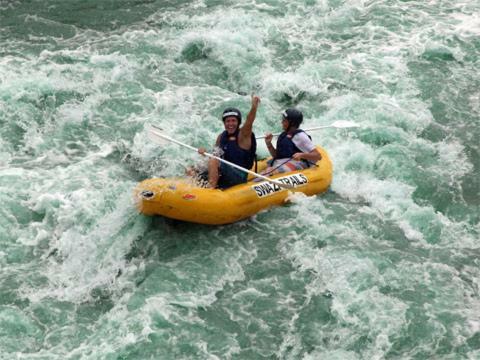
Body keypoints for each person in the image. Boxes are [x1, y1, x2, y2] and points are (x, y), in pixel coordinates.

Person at [197, 95, 260, 189]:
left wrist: (254, 107)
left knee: (214, 161)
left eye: (233, 121)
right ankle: (195, 188)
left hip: (239, 176)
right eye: (227, 121)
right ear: (224, 123)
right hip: (224, 174)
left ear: (238, 123)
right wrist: (204, 154)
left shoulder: (243, 135)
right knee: (193, 168)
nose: (230, 124)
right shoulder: (221, 137)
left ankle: (210, 191)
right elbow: (215, 154)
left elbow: (249, 121)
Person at [263, 108, 321, 175]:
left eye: (284, 120)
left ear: (292, 123)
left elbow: (318, 156)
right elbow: (277, 156)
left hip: (299, 164)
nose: (282, 122)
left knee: (270, 172)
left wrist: (302, 155)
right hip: (283, 162)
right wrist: (269, 144)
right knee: (267, 171)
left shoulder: (300, 136)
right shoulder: (284, 135)